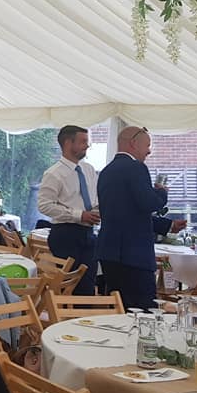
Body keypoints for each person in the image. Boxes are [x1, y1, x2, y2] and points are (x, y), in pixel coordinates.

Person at [96, 126, 186, 309]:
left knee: (119, 307)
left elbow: (127, 214)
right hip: (133, 254)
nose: (149, 151)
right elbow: (149, 203)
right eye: (147, 145)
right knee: (144, 309)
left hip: (110, 252)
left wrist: (167, 226)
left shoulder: (106, 172)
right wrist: (161, 193)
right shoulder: (136, 168)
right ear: (133, 144)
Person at [37, 125, 100, 295]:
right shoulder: (54, 174)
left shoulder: (89, 170)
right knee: (67, 286)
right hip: (65, 234)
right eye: (83, 142)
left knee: (88, 284)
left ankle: (85, 320)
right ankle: (63, 318)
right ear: (67, 143)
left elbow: (94, 198)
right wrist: (79, 215)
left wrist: (97, 210)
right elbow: (44, 205)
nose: (87, 146)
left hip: (89, 233)